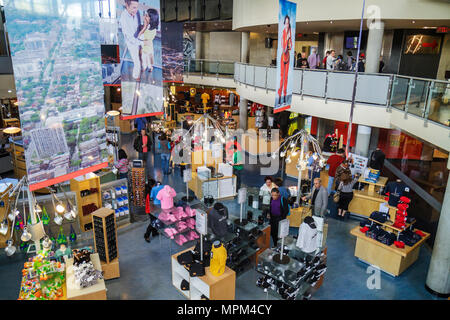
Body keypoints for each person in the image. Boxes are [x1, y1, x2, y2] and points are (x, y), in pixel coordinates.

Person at [120, 0, 143, 80]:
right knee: (137, 62)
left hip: (138, 37)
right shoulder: (123, 17)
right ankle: (136, 78)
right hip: (130, 41)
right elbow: (129, 38)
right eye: (133, 7)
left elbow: (139, 25)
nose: (136, 10)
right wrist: (141, 42)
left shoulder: (137, 12)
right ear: (127, 5)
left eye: (137, 7)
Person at [277, 15, 293, 105]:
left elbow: (290, 47)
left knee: (286, 77)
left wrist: (289, 40)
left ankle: (284, 97)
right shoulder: (283, 33)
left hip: (288, 57)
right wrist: (287, 40)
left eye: (288, 23)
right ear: (284, 23)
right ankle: (279, 98)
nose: (287, 25)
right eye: (286, 23)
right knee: (282, 78)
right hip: (283, 57)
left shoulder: (289, 33)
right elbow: (284, 48)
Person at [138, 8, 159, 73]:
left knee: (148, 62)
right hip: (145, 48)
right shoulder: (149, 27)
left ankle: (150, 68)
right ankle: (144, 67)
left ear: (151, 19)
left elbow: (139, 37)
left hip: (147, 49)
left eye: (146, 16)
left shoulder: (151, 30)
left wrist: (144, 26)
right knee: (144, 60)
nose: (144, 17)